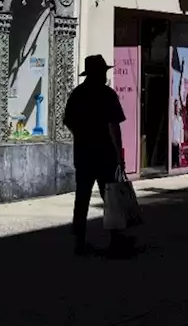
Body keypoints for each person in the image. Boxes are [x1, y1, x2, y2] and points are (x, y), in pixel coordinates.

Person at [63, 54, 130, 256]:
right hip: (104, 155)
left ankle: (79, 240)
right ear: (99, 73)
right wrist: (120, 156)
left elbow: (68, 121)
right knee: (110, 199)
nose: (105, 76)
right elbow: (113, 127)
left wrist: (81, 135)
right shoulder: (107, 95)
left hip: (83, 154)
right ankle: (116, 239)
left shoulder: (77, 94)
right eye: (103, 72)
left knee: (82, 198)